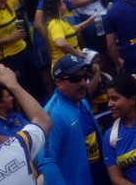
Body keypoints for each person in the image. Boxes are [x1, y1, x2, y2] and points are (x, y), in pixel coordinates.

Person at [39, 55, 106, 185]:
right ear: (59, 83)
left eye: (84, 77)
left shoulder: (82, 101)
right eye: (75, 78)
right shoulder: (51, 116)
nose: (83, 83)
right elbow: (46, 162)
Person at [41, 0, 94, 68]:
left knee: (95, 67)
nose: (65, 3)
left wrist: (88, 22)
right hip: (65, 66)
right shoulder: (55, 24)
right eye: (63, 1)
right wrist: (77, 53)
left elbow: (71, 31)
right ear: (57, 5)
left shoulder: (60, 21)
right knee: (95, 69)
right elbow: (60, 42)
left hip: (71, 62)